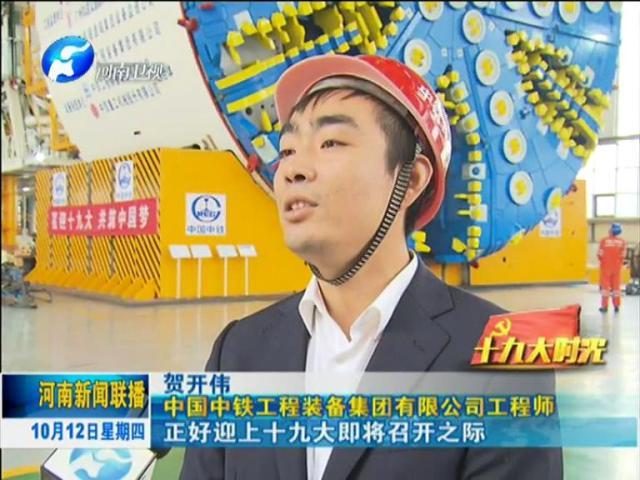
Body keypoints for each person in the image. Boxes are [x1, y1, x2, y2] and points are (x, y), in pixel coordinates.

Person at [181, 55, 562, 479]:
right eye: (287, 150)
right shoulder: (238, 351)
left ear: (410, 179)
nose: (292, 169)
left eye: (331, 143)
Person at [598, 223, 627, 313]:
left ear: (612, 230)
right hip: (617, 268)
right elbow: (623, 256)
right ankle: (616, 306)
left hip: (606, 267)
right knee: (616, 287)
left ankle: (604, 306)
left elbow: (599, 254)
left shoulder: (604, 241)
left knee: (605, 288)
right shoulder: (622, 242)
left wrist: (604, 261)